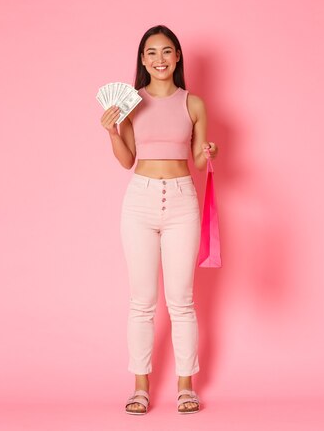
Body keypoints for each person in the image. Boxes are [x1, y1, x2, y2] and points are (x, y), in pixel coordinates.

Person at [100, 25, 219, 415]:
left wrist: (207, 150)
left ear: (178, 57)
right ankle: (140, 388)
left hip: (183, 200)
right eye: (151, 53)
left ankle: (187, 386)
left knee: (182, 301)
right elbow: (126, 160)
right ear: (142, 60)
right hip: (140, 201)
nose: (159, 59)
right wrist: (113, 132)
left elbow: (199, 162)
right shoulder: (133, 103)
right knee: (142, 302)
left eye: (167, 52)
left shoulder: (194, 103)